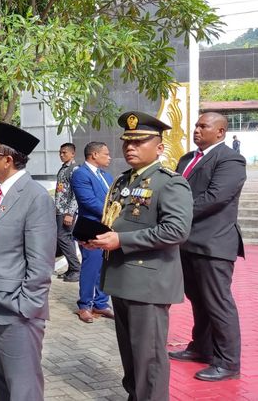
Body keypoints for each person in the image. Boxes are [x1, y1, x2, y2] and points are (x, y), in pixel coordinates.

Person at [86, 111, 192, 401]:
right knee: (132, 359)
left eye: (139, 141)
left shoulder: (169, 183)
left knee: (150, 360)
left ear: (159, 147)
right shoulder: (122, 181)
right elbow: (116, 221)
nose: (130, 147)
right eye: (126, 142)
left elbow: (176, 231)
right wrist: (99, 239)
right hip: (121, 278)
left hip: (148, 283)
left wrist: (121, 240)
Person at [0, 122, 56, 401]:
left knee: (23, 389)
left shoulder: (35, 197)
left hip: (17, 314)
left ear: (7, 160)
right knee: (3, 386)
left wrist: (24, 308)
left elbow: (41, 264)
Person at [169, 112, 246, 381]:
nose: (197, 130)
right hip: (187, 242)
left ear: (221, 132)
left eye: (204, 126)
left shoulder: (230, 160)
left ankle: (228, 362)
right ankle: (201, 348)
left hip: (214, 244)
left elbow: (215, 197)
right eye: (196, 125)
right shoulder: (187, 159)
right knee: (198, 301)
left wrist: (175, 215)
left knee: (218, 303)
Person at [69, 142, 114, 323]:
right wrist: (112, 214)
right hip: (91, 228)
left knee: (105, 267)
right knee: (91, 267)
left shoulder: (107, 176)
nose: (109, 157)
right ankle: (85, 305)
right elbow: (88, 201)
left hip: (107, 228)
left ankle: (101, 303)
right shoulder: (80, 174)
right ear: (94, 155)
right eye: (106, 154)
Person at [54, 143, 81, 282]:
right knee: (66, 239)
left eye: (64, 152)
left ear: (72, 154)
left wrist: (70, 213)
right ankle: (72, 269)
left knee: (63, 238)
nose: (61, 155)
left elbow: (76, 193)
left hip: (66, 212)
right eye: (60, 152)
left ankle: (76, 269)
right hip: (60, 210)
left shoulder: (74, 169)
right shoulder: (64, 168)